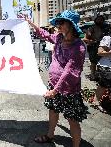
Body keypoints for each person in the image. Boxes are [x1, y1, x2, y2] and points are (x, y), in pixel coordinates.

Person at [25, 10, 88, 147]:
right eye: (57, 22)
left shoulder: (79, 47)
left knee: (72, 119)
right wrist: (31, 23)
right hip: (54, 85)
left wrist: (55, 91)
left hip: (68, 90)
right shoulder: (59, 38)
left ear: (71, 25)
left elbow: (69, 71)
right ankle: (50, 135)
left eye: (61, 22)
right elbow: (45, 34)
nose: (58, 25)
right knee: (53, 111)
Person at [82, 15, 110, 81]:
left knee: (103, 62)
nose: (100, 20)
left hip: (104, 48)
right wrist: (93, 42)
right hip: (93, 48)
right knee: (93, 63)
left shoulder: (106, 28)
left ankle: (100, 75)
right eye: (98, 19)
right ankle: (93, 75)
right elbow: (85, 39)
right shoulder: (91, 28)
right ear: (95, 20)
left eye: (101, 19)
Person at [95, 26, 111, 113]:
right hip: (106, 67)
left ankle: (95, 102)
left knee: (103, 85)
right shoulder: (108, 38)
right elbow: (100, 52)